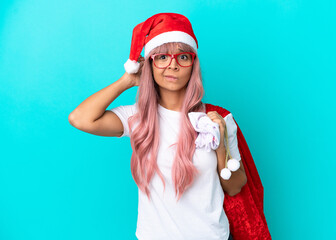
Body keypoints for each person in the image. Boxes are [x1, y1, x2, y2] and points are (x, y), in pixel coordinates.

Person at [69, 13, 248, 240]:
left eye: (183, 57)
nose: (172, 65)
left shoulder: (218, 119)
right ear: (150, 63)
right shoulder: (137, 118)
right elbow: (80, 118)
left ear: (193, 65)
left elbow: (234, 187)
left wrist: (221, 144)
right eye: (162, 57)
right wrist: (128, 80)